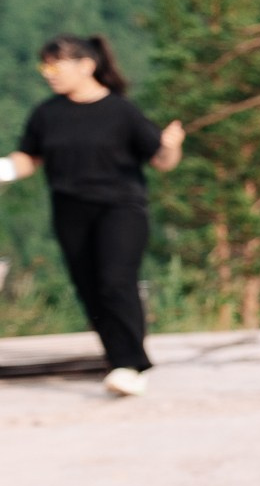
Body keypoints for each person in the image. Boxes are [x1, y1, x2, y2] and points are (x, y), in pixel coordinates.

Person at [2, 34, 183, 397]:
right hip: (70, 210)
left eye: (56, 65)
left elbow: (161, 162)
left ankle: (130, 363)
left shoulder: (121, 111)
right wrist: (4, 168)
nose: (49, 74)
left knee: (116, 279)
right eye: (45, 67)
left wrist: (172, 146)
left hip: (120, 208)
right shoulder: (47, 114)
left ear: (87, 65)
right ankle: (116, 359)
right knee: (90, 288)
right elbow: (29, 158)